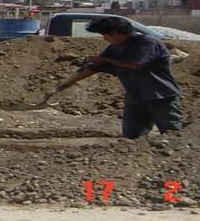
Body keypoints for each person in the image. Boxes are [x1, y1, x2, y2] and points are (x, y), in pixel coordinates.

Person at [39, 17, 183, 139]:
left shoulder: (147, 42)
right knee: (131, 135)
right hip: (135, 97)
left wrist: (106, 60)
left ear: (115, 33)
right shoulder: (115, 48)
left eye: (105, 35)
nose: (104, 39)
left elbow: (136, 64)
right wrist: (66, 83)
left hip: (160, 95)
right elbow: (94, 68)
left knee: (171, 133)